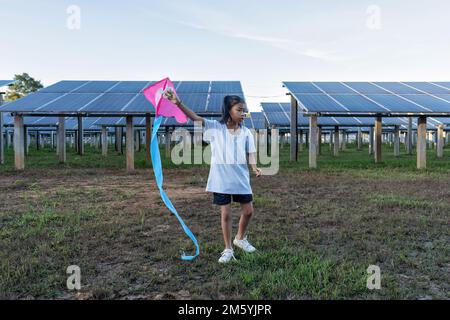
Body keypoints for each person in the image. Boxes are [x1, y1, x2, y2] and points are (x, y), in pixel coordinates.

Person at [164, 89, 262, 263]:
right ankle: (228, 249)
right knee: (225, 215)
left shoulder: (246, 132)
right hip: (221, 180)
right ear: (228, 111)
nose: (243, 114)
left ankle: (239, 238)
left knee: (248, 211)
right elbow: (195, 118)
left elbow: (251, 152)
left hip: (241, 180)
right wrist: (178, 103)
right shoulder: (216, 128)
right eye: (239, 110)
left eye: (243, 110)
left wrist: (255, 167)